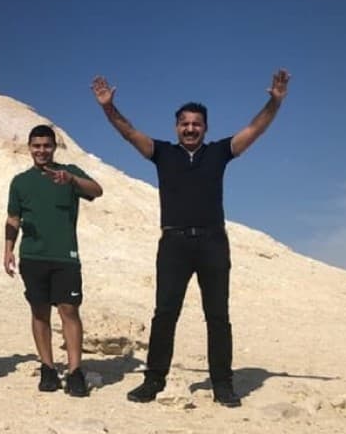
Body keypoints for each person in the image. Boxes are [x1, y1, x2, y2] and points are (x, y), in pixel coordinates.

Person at [91, 69, 291, 407]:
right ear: (176, 127)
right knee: (165, 313)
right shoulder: (163, 153)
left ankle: (223, 385)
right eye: (184, 123)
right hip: (174, 244)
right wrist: (109, 108)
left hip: (213, 243)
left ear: (205, 128)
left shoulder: (219, 152)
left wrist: (274, 101)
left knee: (217, 315)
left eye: (196, 123)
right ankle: (153, 380)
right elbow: (129, 133)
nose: (190, 128)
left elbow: (254, 129)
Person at [4, 124, 103, 397]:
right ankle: (47, 368)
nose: (41, 151)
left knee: (69, 310)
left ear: (54, 147)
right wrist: (8, 249)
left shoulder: (68, 173)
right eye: (36, 146)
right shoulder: (20, 182)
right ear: (29, 148)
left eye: (46, 145)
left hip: (65, 256)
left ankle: (74, 371)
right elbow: (13, 218)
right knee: (39, 311)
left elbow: (97, 190)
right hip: (33, 256)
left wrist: (71, 180)